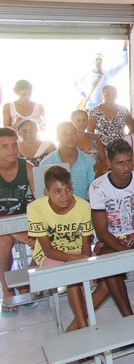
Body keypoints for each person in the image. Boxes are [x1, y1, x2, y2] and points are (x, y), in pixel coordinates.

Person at [89, 139, 134, 317]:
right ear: (109, 163)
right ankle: (128, 315)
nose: (126, 167)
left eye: (129, 161)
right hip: (111, 238)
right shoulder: (98, 187)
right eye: (120, 163)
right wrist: (127, 253)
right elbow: (101, 232)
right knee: (109, 262)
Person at [28, 166, 95, 331]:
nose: (65, 195)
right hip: (49, 255)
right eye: (57, 191)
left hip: (78, 253)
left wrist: (84, 261)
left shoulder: (83, 206)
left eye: (68, 189)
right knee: (73, 277)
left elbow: (86, 244)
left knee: (107, 281)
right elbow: (47, 250)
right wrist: (75, 260)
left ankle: (73, 328)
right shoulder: (35, 208)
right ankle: (84, 328)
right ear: (46, 192)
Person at [0, 127, 36, 317]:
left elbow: (42, 202)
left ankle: (25, 283)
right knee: (3, 242)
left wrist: (36, 230)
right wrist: (15, 233)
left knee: (46, 238)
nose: (12, 150)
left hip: (22, 220)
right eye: (4, 146)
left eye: (14, 145)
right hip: (2, 227)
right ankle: (7, 290)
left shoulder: (27, 167)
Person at [41, 122, 96, 201]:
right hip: (55, 207)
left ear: (77, 135)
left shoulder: (89, 162)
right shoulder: (46, 163)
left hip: (82, 206)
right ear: (57, 138)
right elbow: (43, 196)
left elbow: (94, 191)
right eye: (65, 134)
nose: (70, 137)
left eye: (73, 133)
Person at [75, 42, 128, 111]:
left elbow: (124, 63)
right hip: (90, 107)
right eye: (97, 59)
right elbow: (74, 83)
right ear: (93, 61)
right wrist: (81, 93)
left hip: (104, 106)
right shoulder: (87, 74)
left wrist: (124, 49)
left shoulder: (108, 73)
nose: (99, 61)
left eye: (100, 59)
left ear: (103, 61)